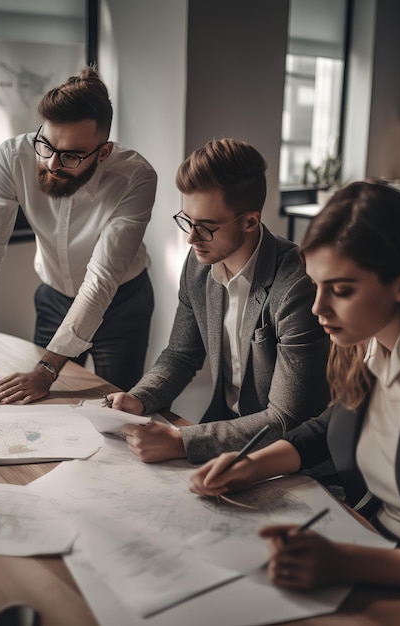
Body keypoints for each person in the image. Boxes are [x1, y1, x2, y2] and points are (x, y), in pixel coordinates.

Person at [189, 181, 400, 626]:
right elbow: (327, 426)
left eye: (340, 289)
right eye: (316, 285)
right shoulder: (369, 346)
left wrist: (345, 563)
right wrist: (253, 465)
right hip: (366, 541)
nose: (318, 308)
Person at [108, 138, 330, 464]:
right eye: (187, 220)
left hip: (287, 460)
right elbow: (181, 355)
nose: (191, 238)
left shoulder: (296, 284)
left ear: (250, 221)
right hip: (223, 432)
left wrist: (181, 441)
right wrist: (140, 398)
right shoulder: (199, 263)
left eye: (206, 227)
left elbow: (287, 418)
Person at [0, 67, 157, 401]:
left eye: (72, 155)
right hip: (53, 300)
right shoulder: (13, 156)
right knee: (44, 410)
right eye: (45, 145)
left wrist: (46, 369)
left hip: (122, 305)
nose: (51, 164)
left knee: (116, 412)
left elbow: (101, 277)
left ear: (102, 153)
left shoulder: (137, 177)